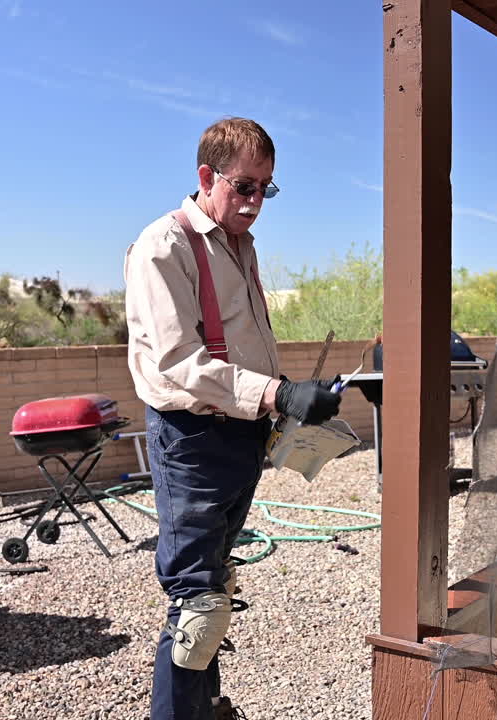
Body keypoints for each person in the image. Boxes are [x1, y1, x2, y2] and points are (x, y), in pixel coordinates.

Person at [124, 117, 343, 720]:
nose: (255, 203)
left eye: (265, 189)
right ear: (205, 176)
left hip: (241, 434)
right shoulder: (163, 246)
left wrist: (294, 401)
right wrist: (278, 394)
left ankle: (205, 705)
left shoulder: (240, 246)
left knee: (217, 587)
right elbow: (178, 363)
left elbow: (245, 345)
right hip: (192, 439)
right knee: (197, 608)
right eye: (244, 186)